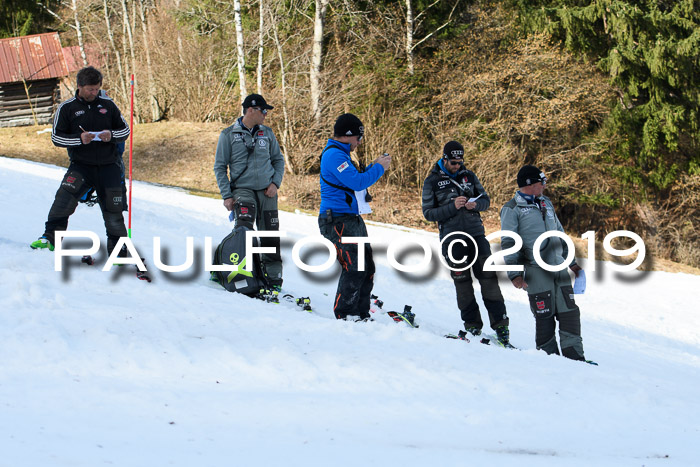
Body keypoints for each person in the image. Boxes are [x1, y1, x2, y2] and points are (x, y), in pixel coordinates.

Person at [31, 66, 130, 256]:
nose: (94, 93)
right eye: (90, 89)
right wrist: (79, 139)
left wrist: (111, 135)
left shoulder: (108, 105)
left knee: (113, 211)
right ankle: (50, 238)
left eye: (96, 89)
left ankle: (118, 251)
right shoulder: (67, 108)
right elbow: (56, 138)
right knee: (63, 200)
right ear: (79, 86)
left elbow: (124, 131)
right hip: (81, 166)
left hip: (109, 166)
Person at [421, 141, 510, 345]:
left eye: (460, 162)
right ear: (444, 159)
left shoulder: (469, 176)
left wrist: (475, 204)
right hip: (452, 237)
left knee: (489, 278)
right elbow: (428, 213)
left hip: (477, 234)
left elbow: (486, 200)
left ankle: (501, 325)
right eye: (453, 162)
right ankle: (472, 325)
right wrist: (452, 207)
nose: (457, 166)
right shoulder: (432, 181)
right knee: (462, 282)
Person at [500, 164, 588, 361]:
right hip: (535, 269)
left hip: (558, 268)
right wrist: (514, 274)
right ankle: (548, 359)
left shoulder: (546, 203)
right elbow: (509, 242)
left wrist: (572, 263)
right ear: (530, 184)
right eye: (542, 182)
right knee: (545, 314)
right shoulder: (512, 208)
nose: (545, 185)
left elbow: (561, 234)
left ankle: (575, 357)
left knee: (569, 312)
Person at [318, 113, 391, 321]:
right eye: (359, 138)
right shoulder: (334, 155)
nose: (359, 142)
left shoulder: (343, 155)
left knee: (367, 266)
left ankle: (361, 312)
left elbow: (356, 180)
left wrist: (373, 167)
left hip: (350, 217)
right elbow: (357, 183)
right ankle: (346, 312)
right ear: (348, 135)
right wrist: (379, 168)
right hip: (337, 219)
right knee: (355, 265)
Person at [213, 93, 285, 289]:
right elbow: (220, 167)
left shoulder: (268, 133)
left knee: (270, 234)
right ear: (251, 110)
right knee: (244, 228)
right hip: (242, 190)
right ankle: (226, 266)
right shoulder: (228, 135)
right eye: (263, 111)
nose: (265, 115)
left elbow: (278, 161)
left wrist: (275, 183)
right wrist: (227, 195)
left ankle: (273, 278)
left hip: (267, 191)